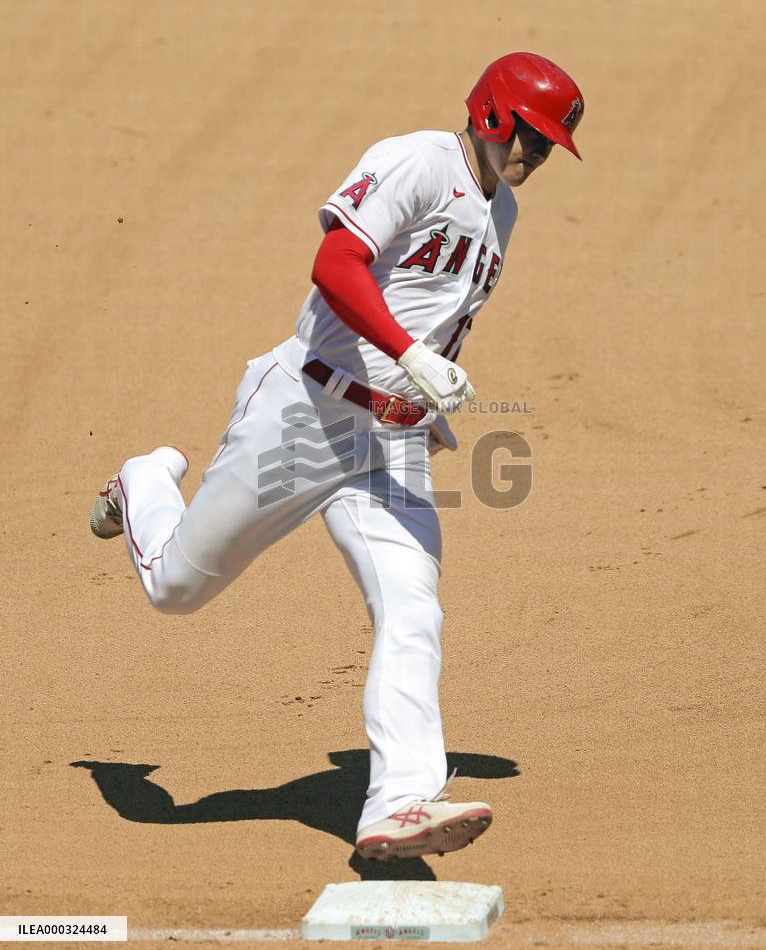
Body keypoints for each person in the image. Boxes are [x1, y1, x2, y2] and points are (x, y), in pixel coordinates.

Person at [89, 52, 584, 862]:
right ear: (495, 114)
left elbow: (436, 318)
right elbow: (336, 263)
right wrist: (406, 355)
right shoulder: (415, 162)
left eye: (549, 146)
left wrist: (415, 398)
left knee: (413, 608)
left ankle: (399, 803)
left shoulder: (503, 217)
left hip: (387, 441)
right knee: (176, 590)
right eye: (531, 137)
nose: (536, 157)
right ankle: (144, 480)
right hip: (304, 413)